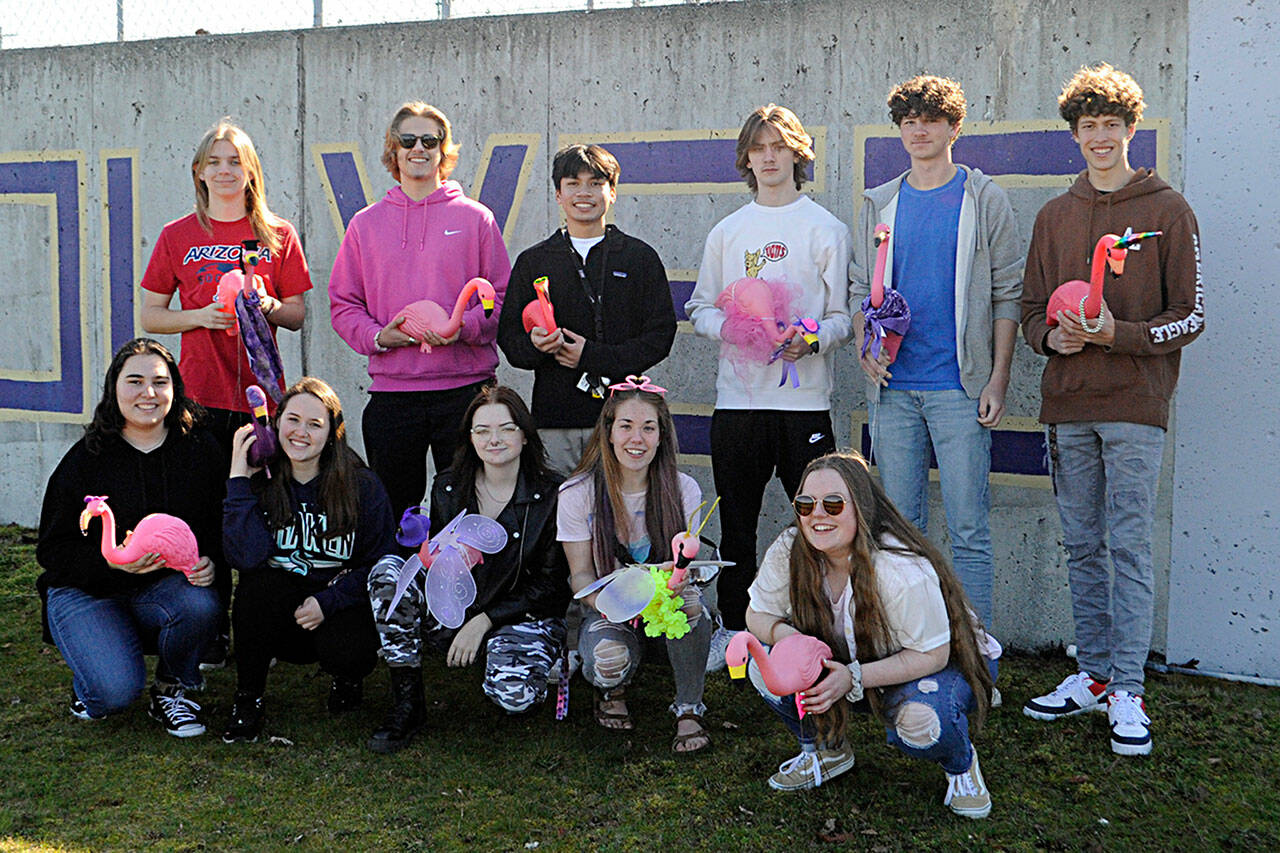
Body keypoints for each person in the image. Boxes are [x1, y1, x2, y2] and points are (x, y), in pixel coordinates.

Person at [1019, 63, 1204, 756]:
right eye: (1088, 127)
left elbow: (1190, 317)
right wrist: (1052, 337)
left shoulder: (1168, 211)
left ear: (1132, 130)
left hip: (1134, 406)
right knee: (1082, 544)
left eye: (1111, 126)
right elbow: (1031, 310)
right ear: (1074, 135)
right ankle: (1092, 674)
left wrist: (1116, 336)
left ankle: (1129, 685)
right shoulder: (1054, 216)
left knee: (1127, 543)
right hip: (1067, 407)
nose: (1100, 138)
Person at [849, 75, 1023, 626]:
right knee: (899, 532)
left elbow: (1007, 295)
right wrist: (863, 346)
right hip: (893, 391)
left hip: (960, 388)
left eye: (929, 119)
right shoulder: (881, 202)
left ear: (953, 127)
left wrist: (997, 379)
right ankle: (911, 647)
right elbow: (859, 292)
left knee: (969, 528)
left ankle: (978, 656)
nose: (918, 130)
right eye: (908, 121)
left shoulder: (984, 198)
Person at [139, 119, 313, 668]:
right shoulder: (177, 235)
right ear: (199, 171)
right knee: (206, 512)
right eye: (214, 161)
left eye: (235, 161)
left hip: (262, 403)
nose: (224, 170)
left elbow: (299, 313)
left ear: (250, 171)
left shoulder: (276, 234)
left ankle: (262, 626)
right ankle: (211, 627)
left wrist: (267, 307)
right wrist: (202, 316)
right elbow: (149, 314)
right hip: (198, 400)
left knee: (263, 514)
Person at [744, 451, 998, 817]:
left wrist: (853, 677)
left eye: (833, 504)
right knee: (764, 666)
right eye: (805, 503)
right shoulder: (790, 548)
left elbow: (933, 655)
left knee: (922, 724)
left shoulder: (898, 568)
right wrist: (791, 643)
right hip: (851, 665)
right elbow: (757, 613)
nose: (817, 514)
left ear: (861, 507)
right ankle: (828, 748)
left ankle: (961, 765)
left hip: (936, 665)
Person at [685, 104, 852, 644]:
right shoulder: (728, 231)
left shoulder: (825, 227)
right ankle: (734, 632)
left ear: (797, 153)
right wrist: (731, 329)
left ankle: (816, 631)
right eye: (758, 148)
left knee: (819, 528)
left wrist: (812, 340)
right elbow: (700, 307)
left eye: (779, 146)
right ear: (746, 159)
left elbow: (843, 319)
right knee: (737, 526)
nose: (769, 156)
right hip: (737, 405)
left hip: (804, 406)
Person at [330, 101, 511, 516]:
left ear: (443, 150)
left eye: (430, 140)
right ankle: (399, 580)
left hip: (466, 393)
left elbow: (499, 297)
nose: (419, 148)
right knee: (394, 514)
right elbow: (343, 304)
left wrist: (462, 327)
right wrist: (378, 337)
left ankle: (470, 582)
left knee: (470, 508)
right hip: (394, 396)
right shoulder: (365, 224)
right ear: (392, 150)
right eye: (407, 140)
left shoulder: (476, 219)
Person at [366, 386, 569, 753]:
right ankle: (408, 701)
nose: (495, 439)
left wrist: (485, 620)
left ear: (524, 435)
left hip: (521, 613)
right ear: (470, 437)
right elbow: (441, 565)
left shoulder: (554, 493)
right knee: (389, 573)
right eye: (482, 430)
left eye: (506, 429)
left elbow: (552, 586)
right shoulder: (447, 486)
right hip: (459, 606)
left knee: (515, 696)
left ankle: (506, 656)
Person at [36, 338, 222, 737]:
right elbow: (53, 549)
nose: (148, 394)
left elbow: (216, 524)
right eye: (134, 381)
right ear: (114, 389)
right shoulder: (86, 458)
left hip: (159, 590)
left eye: (160, 381)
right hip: (87, 591)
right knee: (113, 694)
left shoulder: (200, 450)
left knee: (200, 605)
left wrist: (208, 560)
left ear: (175, 388)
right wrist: (104, 562)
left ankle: (173, 688)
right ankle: (94, 673)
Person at [220, 377, 396, 743]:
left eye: (315, 424)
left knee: (351, 652)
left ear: (332, 433)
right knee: (256, 588)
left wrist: (328, 601)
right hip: (276, 613)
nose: (301, 433)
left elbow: (382, 562)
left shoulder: (362, 486)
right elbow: (244, 557)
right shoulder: (260, 482)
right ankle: (248, 698)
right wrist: (238, 478)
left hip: (335, 607)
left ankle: (347, 678)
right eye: (292, 420)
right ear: (275, 422)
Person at [497, 143, 676, 475]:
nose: (585, 193)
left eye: (596, 183)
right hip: (555, 422)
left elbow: (660, 337)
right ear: (558, 194)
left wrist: (591, 356)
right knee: (558, 515)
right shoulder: (534, 260)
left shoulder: (639, 258)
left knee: (622, 513)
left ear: (612, 193)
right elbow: (510, 341)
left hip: (623, 421)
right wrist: (537, 346)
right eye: (573, 183)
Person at [558, 378, 713, 753]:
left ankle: (689, 706)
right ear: (608, 432)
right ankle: (611, 689)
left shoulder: (683, 488)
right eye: (626, 426)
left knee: (691, 604)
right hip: (608, 610)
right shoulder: (577, 492)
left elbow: (686, 564)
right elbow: (579, 575)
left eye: (648, 427)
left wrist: (677, 579)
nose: (636, 439)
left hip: (664, 608)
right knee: (608, 662)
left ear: (662, 436)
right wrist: (615, 604)